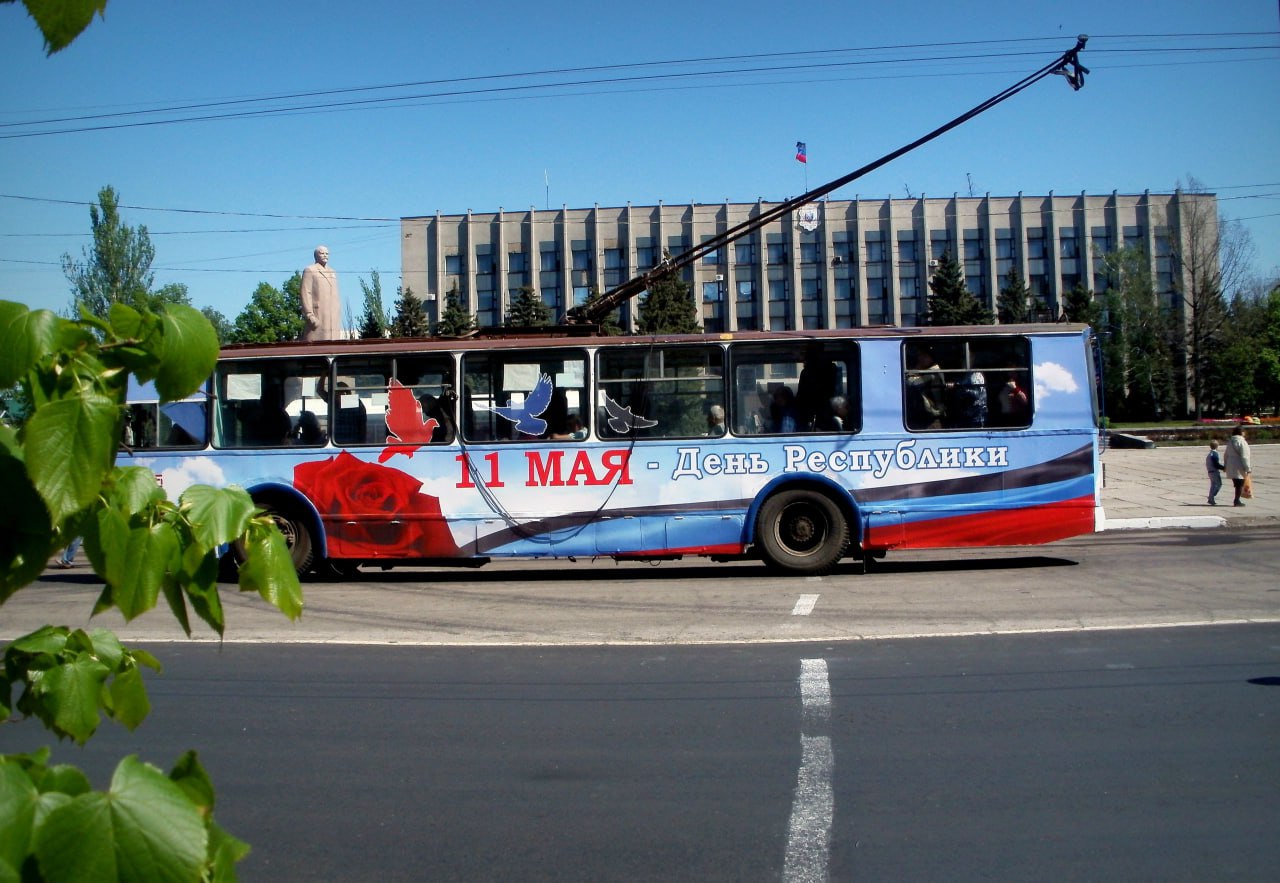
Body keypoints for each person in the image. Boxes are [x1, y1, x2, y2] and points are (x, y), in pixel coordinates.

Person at [300, 245, 342, 341]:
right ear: (316, 255)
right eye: (322, 253)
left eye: (327, 253)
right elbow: (305, 293)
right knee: (317, 348)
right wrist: (310, 316)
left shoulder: (332, 272)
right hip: (318, 316)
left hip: (333, 319)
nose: (325, 255)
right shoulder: (310, 270)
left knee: (333, 348)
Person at [905, 347, 946, 430]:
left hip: (933, 418)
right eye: (919, 356)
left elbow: (913, 383)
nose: (920, 358)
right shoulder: (925, 370)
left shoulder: (934, 371)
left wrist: (917, 368)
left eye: (924, 356)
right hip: (924, 416)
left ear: (931, 357)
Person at [1223, 424, 1252, 507]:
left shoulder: (1230, 441)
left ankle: (1237, 500)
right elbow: (1245, 456)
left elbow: (1226, 454)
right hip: (1239, 465)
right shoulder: (1242, 442)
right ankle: (1236, 501)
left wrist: (1225, 465)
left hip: (1231, 464)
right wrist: (1247, 468)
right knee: (1240, 484)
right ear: (1242, 432)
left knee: (1237, 484)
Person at [1205, 439, 1226, 505]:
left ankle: (1211, 499)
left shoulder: (1209, 454)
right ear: (1217, 446)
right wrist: (1224, 468)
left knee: (1213, 485)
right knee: (1218, 484)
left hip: (1210, 471)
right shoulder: (1214, 454)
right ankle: (1211, 497)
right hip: (1214, 472)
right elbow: (1216, 464)